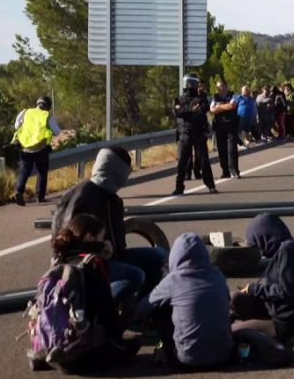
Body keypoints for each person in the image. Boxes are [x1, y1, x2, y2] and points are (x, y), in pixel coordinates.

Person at [53, 147, 168, 301]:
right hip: (86, 266)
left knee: (158, 256)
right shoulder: (83, 199)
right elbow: (70, 250)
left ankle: (143, 307)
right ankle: (105, 312)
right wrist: (100, 249)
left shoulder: (108, 197)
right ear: (116, 172)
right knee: (135, 275)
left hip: (111, 256)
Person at [46, 214, 137, 373]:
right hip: (84, 354)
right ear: (89, 237)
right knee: (130, 295)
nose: (103, 242)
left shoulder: (58, 259)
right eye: (101, 238)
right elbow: (106, 311)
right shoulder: (93, 264)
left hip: (54, 345)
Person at [135, 233, 233, 368]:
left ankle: (163, 347)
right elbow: (227, 300)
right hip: (224, 354)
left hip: (187, 358)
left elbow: (142, 309)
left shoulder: (173, 280)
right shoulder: (217, 274)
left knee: (159, 310)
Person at [232, 213, 294, 342]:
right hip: (274, 308)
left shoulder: (289, 251)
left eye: (258, 243)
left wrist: (254, 289)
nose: (260, 249)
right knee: (235, 298)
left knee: (232, 332)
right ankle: (260, 324)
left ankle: (290, 335)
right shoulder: (282, 248)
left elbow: (286, 291)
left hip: (284, 321)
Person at [172, 74, 217, 196]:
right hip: (186, 134)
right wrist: (191, 111)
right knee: (182, 162)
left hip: (196, 133)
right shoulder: (179, 99)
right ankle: (179, 187)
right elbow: (177, 113)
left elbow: (202, 110)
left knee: (203, 161)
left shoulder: (201, 99)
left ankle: (210, 185)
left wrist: (186, 111)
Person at [12, 96, 60, 205]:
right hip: (41, 148)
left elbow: (16, 126)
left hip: (25, 148)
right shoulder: (48, 116)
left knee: (24, 171)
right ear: (48, 106)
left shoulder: (25, 112)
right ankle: (40, 196)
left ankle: (19, 191)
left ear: (37, 103)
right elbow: (57, 132)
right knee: (42, 172)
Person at [210, 80, 241, 179]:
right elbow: (212, 110)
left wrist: (218, 106)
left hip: (231, 126)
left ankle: (234, 170)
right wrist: (223, 107)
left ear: (226, 87)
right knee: (221, 151)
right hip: (219, 127)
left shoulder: (234, 95)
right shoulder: (215, 97)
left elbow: (232, 106)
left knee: (232, 150)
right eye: (217, 87)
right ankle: (225, 171)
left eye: (221, 86)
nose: (219, 89)